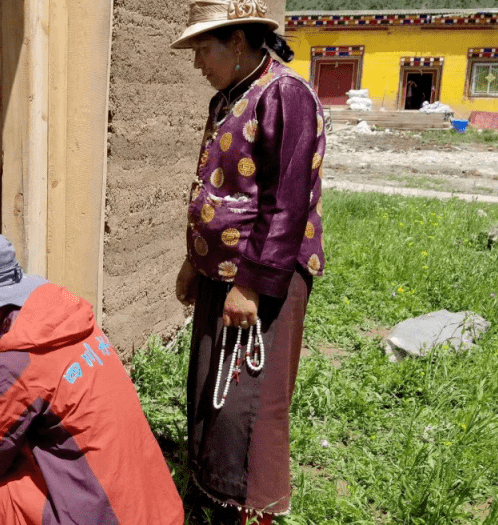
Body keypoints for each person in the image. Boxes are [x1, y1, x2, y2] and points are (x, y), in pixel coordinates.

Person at [169, 0, 326, 523]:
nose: (197, 64)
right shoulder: (228, 97)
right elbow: (213, 184)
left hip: (264, 276)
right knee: (213, 391)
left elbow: (287, 200)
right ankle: (215, 496)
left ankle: (251, 509)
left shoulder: (285, 94)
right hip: (223, 272)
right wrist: (195, 260)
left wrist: (252, 286)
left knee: (248, 403)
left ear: (239, 43)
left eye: (203, 50)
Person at [0, 233, 184, 525]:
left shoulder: (16, 360)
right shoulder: (58, 322)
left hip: (95, 514)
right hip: (146, 504)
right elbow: (22, 381)